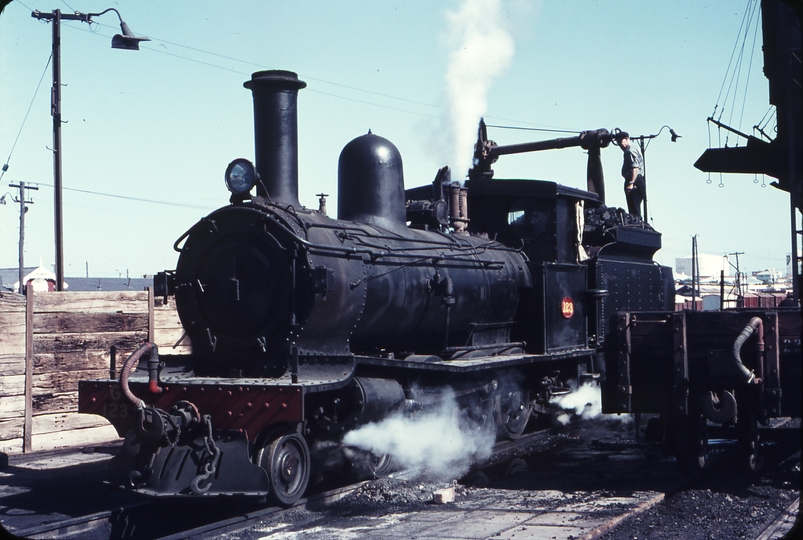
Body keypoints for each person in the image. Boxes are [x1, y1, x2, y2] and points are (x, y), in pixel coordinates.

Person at [616, 131, 645, 218]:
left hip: (634, 181)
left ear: (627, 139)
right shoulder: (633, 148)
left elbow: (634, 168)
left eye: (621, 142)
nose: (620, 145)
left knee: (634, 210)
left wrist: (631, 183)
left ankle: (637, 226)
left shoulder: (630, 151)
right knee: (634, 209)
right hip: (638, 181)